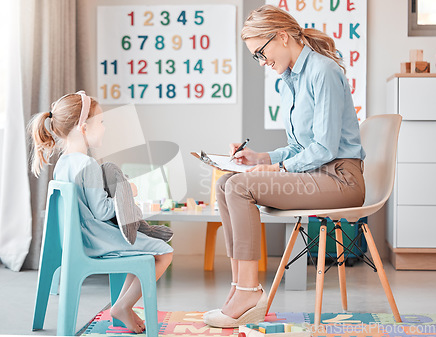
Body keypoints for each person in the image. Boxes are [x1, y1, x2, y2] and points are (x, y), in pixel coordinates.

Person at [203, 5, 366, 328]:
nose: (262, 62)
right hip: (316, 174)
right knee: (226, 183)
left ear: (282, 36)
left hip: (340, 179)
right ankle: (239, 286)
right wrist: (261, 158)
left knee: (239, 186)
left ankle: (249, 292)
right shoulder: (292, 78)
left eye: (261, 52)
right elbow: (299, 147)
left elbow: (324, 147)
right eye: (256, 56)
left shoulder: (323, 71)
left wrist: (278, 171)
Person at [29, 91, 173, 333]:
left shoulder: (63, 163)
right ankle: (122, 306)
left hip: (76, 240)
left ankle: (121, 306)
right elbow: (102, 211)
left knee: (142, 252)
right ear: (84, 128)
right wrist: (125, 190)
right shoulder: (88, 165)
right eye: (102, 123)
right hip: (96, 240)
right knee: (164, 253)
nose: (105, 128)